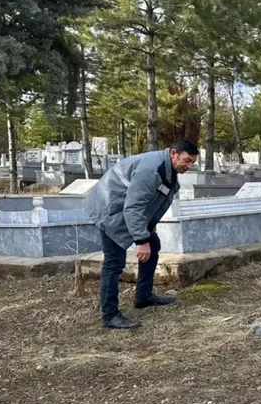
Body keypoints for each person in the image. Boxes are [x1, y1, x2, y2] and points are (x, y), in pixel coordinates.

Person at [84, 140, 200, 329]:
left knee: (153, 245)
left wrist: (150, 224)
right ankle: (110, 315)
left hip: (124, 208)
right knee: (114, 263)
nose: (189, 166)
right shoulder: (151, 169)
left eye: (192, 163)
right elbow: (133, 206)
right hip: (110, 210)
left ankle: (143, 296)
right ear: (173, 153)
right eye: (186, 161)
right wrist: (140, 239)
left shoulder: (168, 168)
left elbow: (155, 198)